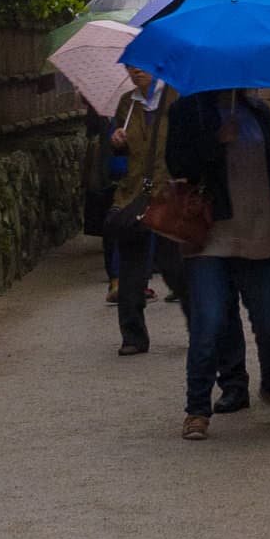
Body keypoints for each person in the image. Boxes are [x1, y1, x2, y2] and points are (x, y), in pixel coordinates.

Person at [166, 84, 270, 439]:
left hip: (261, 233)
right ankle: (197, 409)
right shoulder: (187, 110)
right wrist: (214, 142)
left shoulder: (257, 112)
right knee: (209, 323)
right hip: (210, 236)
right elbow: (176, 165)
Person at [106, 68, 179, 354]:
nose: (135, 70)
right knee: (131, 268)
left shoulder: (176, 97)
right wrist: (117, 142)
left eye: (141, 63)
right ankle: (133, 335)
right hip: (134, 193)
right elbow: (124, 151)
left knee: (175, 266)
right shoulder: (128, 102)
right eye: (129, 65)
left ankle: (199, 325)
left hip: (169, 192)